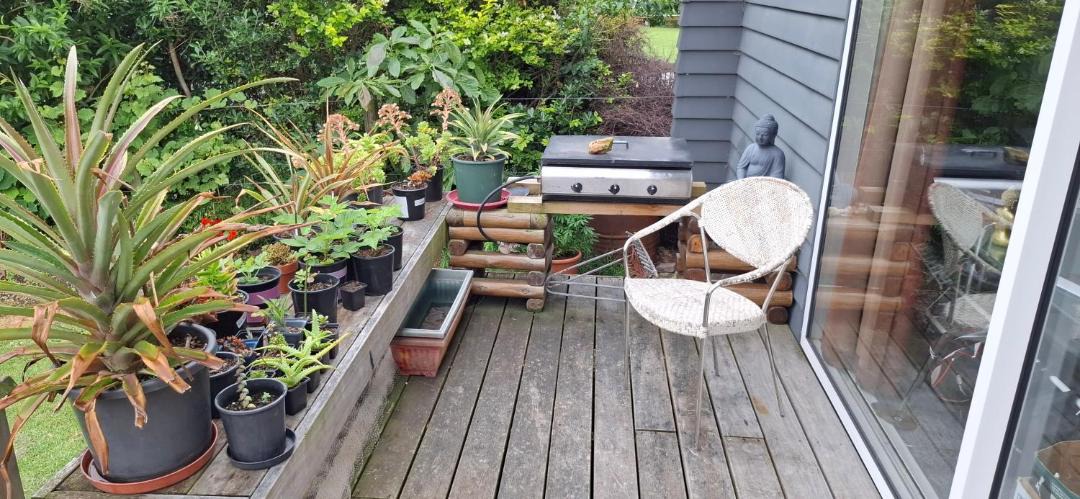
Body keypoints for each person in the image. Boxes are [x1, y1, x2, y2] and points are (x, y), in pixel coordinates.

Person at [736, 114, 786, 179]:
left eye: (765, 135)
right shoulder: (751, 148)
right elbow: (741, 167)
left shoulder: (777, 154)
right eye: (758, 134)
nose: (760, 137)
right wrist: (741, 181)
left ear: (772, 135)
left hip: (765, 186)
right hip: (746, 183)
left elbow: (777, 178)